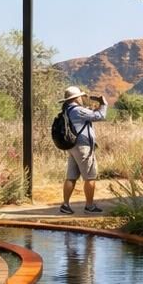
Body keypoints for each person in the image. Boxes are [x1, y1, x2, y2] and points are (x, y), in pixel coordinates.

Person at [58, 86, 107, 214]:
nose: (81, 98)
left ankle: (65, 205)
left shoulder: (67, 110)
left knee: (71, 177)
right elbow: (101, 116)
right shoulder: (78, 110)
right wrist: (103, 104)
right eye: (80, 96)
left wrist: (93, 108)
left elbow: (90, 116)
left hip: (72, 147)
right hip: (83, 147)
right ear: (75, 98)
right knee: (90, 176)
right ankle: (89, 206)